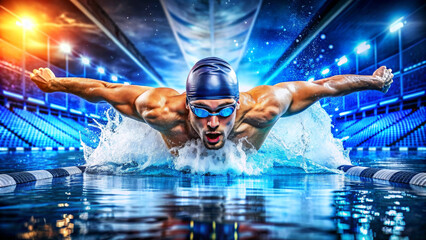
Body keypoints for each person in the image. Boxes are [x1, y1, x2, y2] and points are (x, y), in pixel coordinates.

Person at [30, 57, 393, 151]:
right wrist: (55, 83)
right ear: (187, 106)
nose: (214, 123)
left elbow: (325, 87)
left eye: (224, 110)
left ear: (239, 105)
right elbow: (104, 88)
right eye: (202, 110)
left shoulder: (266, 107)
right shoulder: (160, 110)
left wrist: (373, 83)